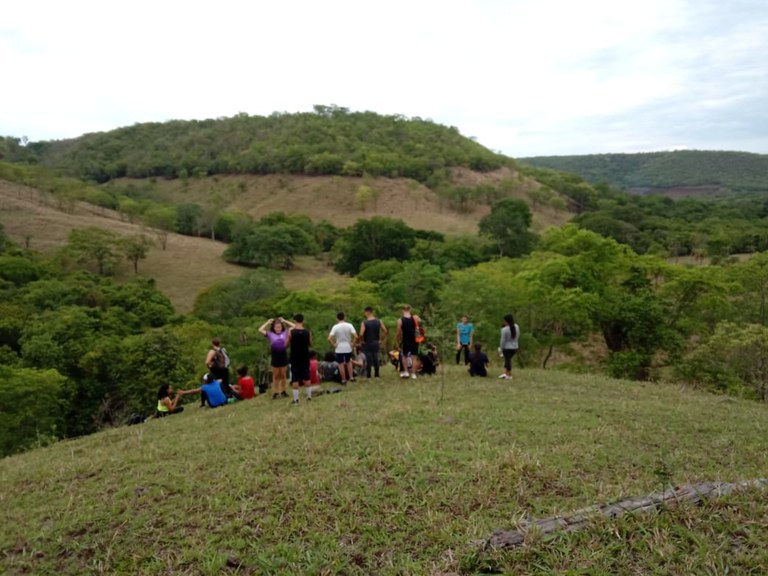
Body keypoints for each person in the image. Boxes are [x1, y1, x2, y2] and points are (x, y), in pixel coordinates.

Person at [259, 317, 294, 400]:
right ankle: (275, 392)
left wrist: (285, 321)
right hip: (275, 356)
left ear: (282, 327)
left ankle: (283, 391)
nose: (278, 329)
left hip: (283, 355)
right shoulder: (270, 334)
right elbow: (260, 329)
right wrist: (267, 322)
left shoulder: (285, 333)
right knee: (276, 375)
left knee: (283, 375)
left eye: (279, 327)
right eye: (276, 327)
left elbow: (294, 326)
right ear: (273, 328)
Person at [287, 313, 313, 404]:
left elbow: (286, 344)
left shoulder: (291, 332)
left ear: (294, 321)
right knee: (306, 376)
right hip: (305, 356)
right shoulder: (307, 332)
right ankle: (309, 397)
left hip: (294, 357)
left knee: (295, 378)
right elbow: (310, 344)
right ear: (303, 321)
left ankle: (296, 399)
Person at [328, 312, 357, 384]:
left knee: (340, 364)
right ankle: (351, 377)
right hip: (348, 346)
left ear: (337, 318)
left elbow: (329, 338)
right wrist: (353, 343)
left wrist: (333, 345)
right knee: (349, 362)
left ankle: (343, 379)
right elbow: (356, 336)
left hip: (339, 348)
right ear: (344, 317)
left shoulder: (335, 327)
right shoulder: (349, 325)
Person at [359, 306, 388, 379]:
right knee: (376, 358)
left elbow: (361, 334)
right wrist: (381, 339)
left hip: (367, 343)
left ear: (367, 312)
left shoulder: (364, 322)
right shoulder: (379, 321)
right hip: (376, 342)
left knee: (368, 359)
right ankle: (377, 375)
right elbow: (385, 331)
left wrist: (362, 340)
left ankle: (368, 375)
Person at [396, 304, 420, 379]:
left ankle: (406, 372)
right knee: (414, 356)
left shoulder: (400, 320)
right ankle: (413, 374)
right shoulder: (415, 318)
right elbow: (420, 323)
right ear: (410, 310)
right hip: (415, 340)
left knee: (404, 356)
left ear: (402, 310)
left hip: (405, 340)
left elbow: (398, 332)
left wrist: (398, 342)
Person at [499, 314, 520, 379]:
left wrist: (501, 348)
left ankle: (509, 375)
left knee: (507, 361)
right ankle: (506, 373)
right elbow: (518, 335)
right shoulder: (516, 326)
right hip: (515, 347)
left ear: (506, 321)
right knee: (507, 360)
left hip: (507, 348)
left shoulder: (504, 329)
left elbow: (502, 340)